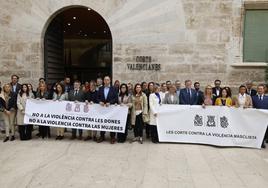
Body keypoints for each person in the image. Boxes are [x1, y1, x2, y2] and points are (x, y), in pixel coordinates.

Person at [97, 76, 119, 144]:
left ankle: (112, 137)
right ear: (103, 81)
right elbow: (97, 97)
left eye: (108, 80)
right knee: (103, 122)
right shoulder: (100, 89)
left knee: (111, 123)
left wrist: (110, 103)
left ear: (110, 81)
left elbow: (116, 98)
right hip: (102, 109)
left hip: (111, 109)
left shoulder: (114, 88)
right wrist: (99, 101)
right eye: (105, 80)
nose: (106, 81)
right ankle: (102, 136)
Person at [252, 84, 268, 148]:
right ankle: (256, 141)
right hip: (256, 117)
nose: (260, 90)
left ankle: (262, 142)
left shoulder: (267, 98)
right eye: (258, 89)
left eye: (261, 89)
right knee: (256, 129)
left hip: (265, 117)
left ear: (264, 90)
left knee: (264, 130)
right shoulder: (253, 97)